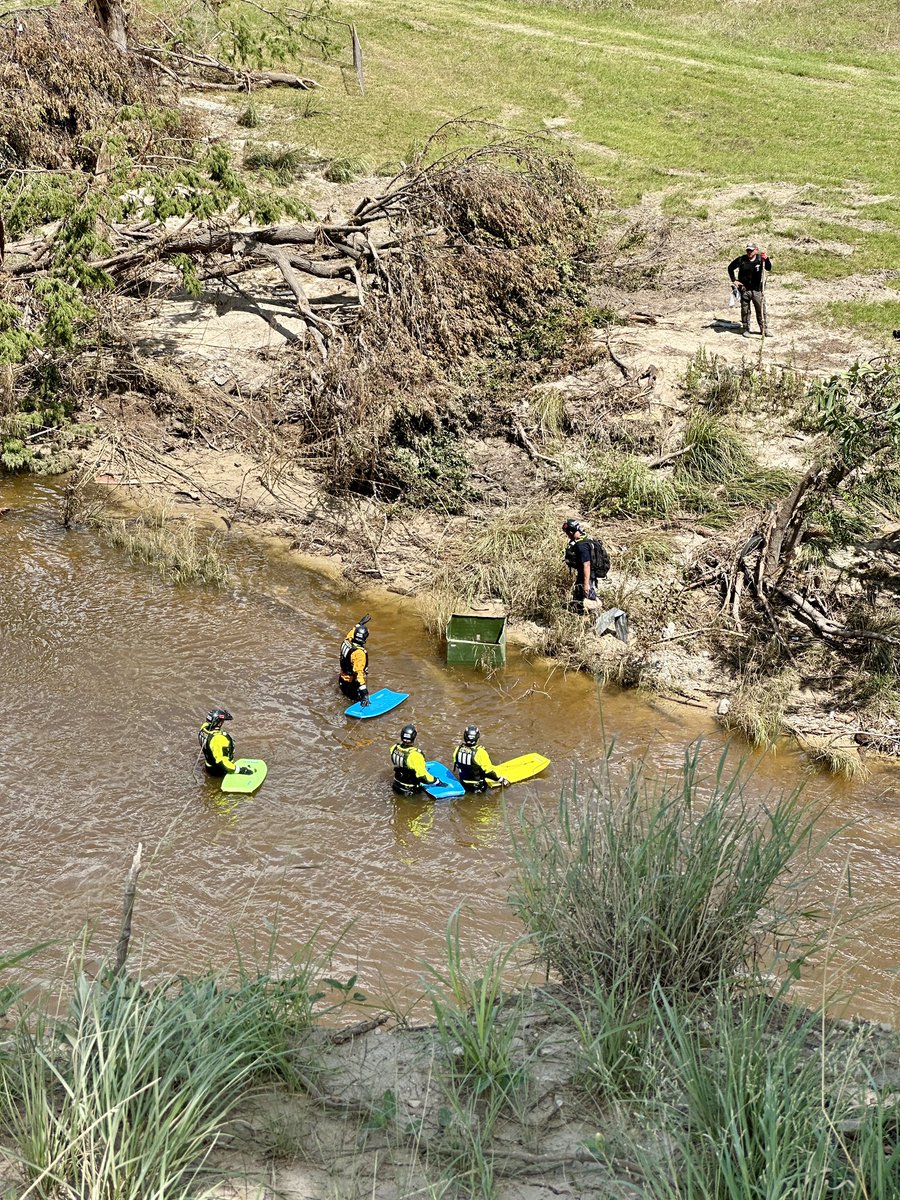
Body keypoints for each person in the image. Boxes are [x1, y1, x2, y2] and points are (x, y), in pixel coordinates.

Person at [727, 242, 772, 337]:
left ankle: (764, 329)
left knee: (761, 310)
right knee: (745, 310)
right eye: (748, 250)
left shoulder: (760, 259)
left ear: (756, 250)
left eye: (751, 250)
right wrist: (734, 280)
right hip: (744, 289)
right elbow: (730, 268)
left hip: (757, 290)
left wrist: (767, 260)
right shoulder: (741, 260)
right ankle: (746, 329)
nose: (749, 252)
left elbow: (768, 268)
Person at [390, 724, 443, 796]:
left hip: (396, 786)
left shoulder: (394, 748)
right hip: (410, 790)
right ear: (414, 737)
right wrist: (437, 781)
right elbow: (423, 777)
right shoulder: (415, 755)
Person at [453, 725, 509, 792]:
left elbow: (457, 764)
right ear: (477, 737)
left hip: (463, 784)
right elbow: (488, 772)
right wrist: (502, 780)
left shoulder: (457, 749)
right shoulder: (480, 752)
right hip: (478, 787)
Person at [198, 708, 251, 776]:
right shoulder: (218, 739)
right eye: (222, 721)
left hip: (209, 766)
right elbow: (222, 762)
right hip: (221, 771)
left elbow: (206, 724)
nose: (222, 723)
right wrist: (240, 770)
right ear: (219, 723)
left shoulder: (203, 730)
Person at [562, 518, 603, 606]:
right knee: (579, 601)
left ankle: (598, 610)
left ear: (571, 532)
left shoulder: (581, 545)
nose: (567, 536)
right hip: (585, 575)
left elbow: (586, 564)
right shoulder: (585, 538)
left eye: (567, 533)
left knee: (590, 600)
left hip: (587, 576)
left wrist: (586, 584)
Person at [339, 617, 370, 706]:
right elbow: (358, 673)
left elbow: (351, 633)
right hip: (351, 684)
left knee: (344, 698)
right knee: (353, 702)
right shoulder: (359, 653)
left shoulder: (346, 641)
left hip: (342, 679)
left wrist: (359, 624)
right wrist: (364, 694)